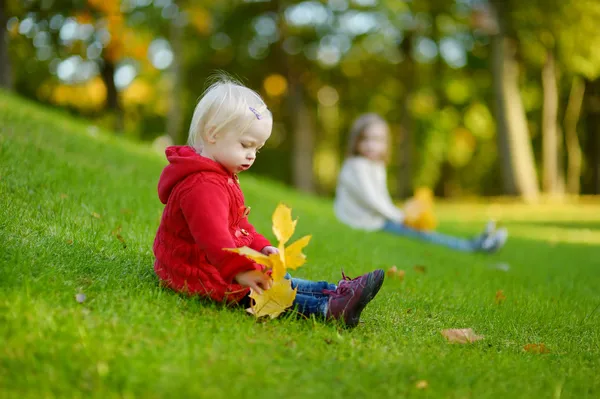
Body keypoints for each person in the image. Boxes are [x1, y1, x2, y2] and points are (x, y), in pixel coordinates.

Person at [152, 75, 384, 328]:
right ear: (213, 134)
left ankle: (336, 291)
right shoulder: (203, 186)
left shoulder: (221, 176)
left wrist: (261, 247)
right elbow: (214, 238)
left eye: (257, 149)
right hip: (196, 272)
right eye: (246, 145)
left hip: (219, 263)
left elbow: (239, 225)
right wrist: (241, 271)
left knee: (276, 278)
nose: (251, 155)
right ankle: (328, 307)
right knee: (260, 293)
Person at [334, 113, 508, 253]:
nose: (371, 145)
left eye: (378, 140)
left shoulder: (376, 166)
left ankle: (476, 243)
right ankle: (473, 246)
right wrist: (401, 217)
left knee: (423, 231)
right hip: (366, 222)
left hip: (377, 219)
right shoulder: (356, 166)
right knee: (422, 235)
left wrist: (400, 214)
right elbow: (372, 200)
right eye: (366, 139)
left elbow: (382, 199)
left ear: (386, 143)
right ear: (356, 141)